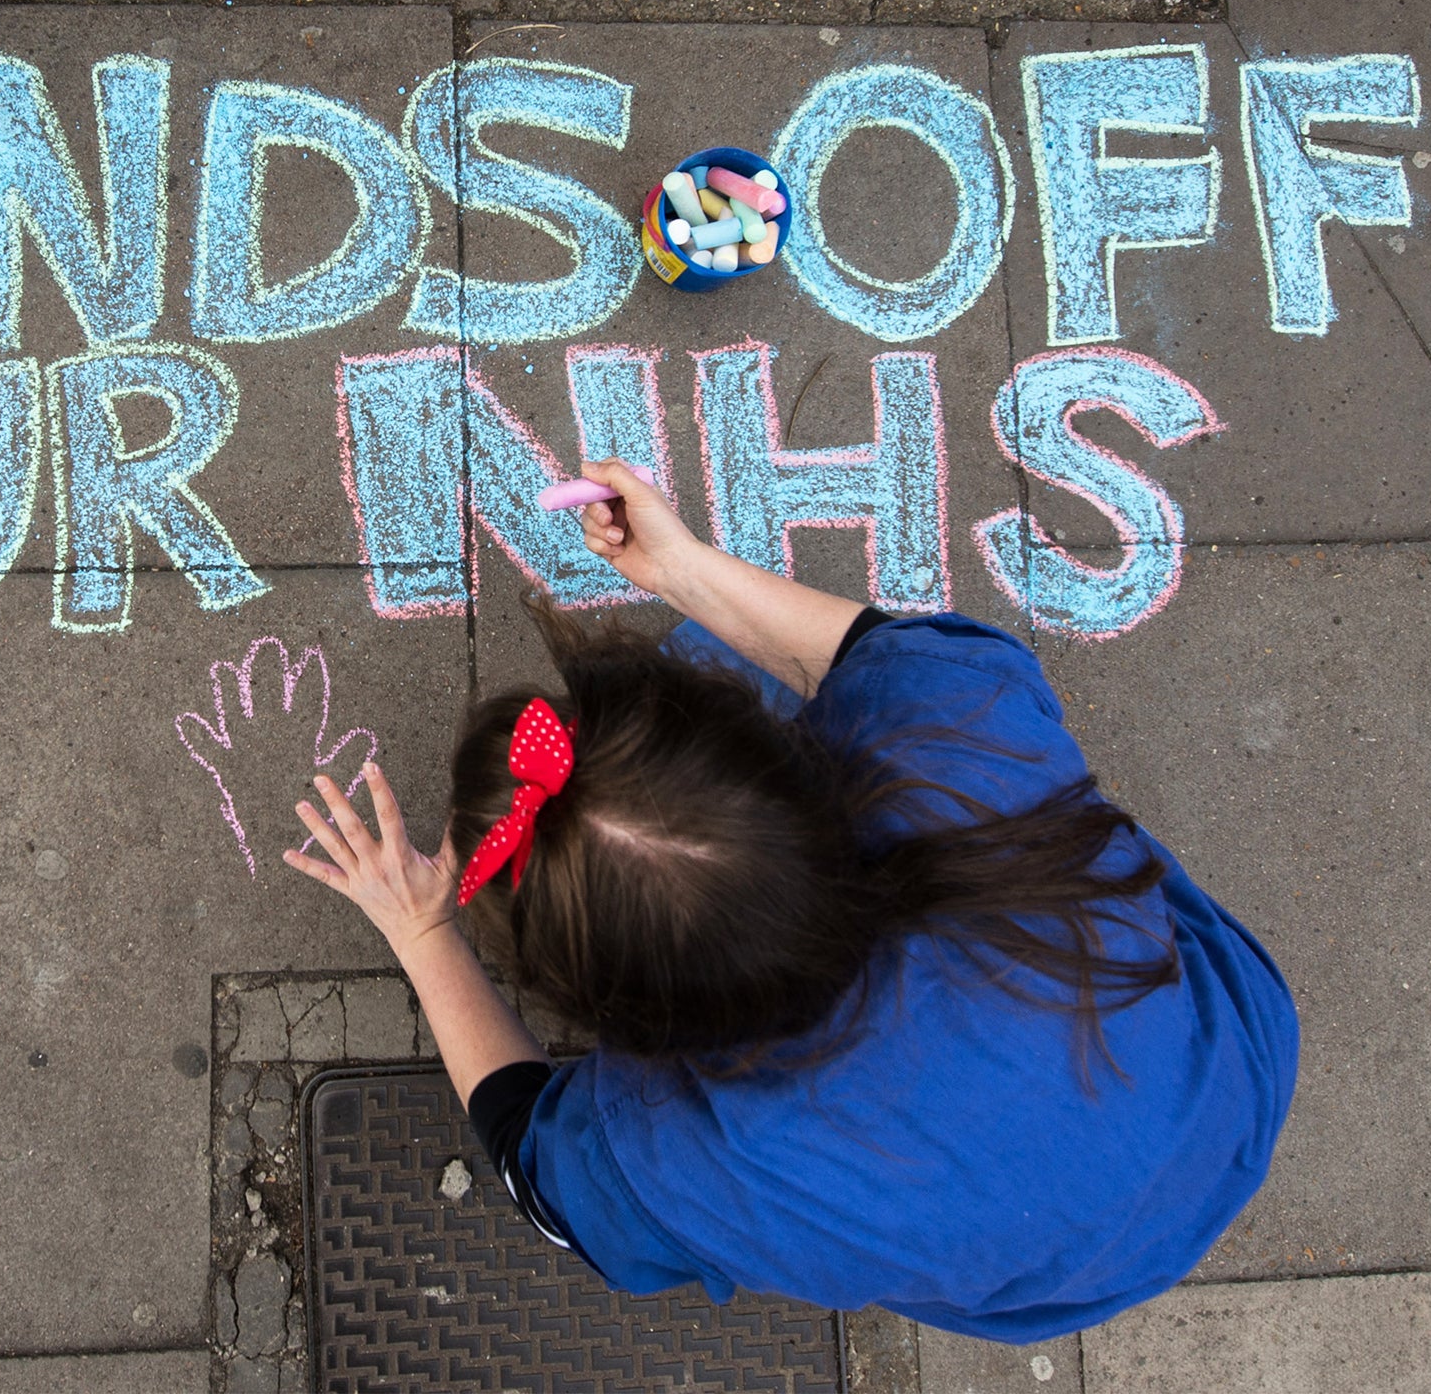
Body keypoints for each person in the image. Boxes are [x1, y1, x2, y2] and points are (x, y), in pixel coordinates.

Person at [281, 459, 1299, 1343]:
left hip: (1057, 1273)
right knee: (709, 650)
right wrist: (683, 568)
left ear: (614, 1015)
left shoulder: (681, 1154)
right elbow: (871, 652)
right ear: (791, 772)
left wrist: (422, 929)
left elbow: (533, 1170)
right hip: (1224, 1076)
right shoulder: (956, 740)